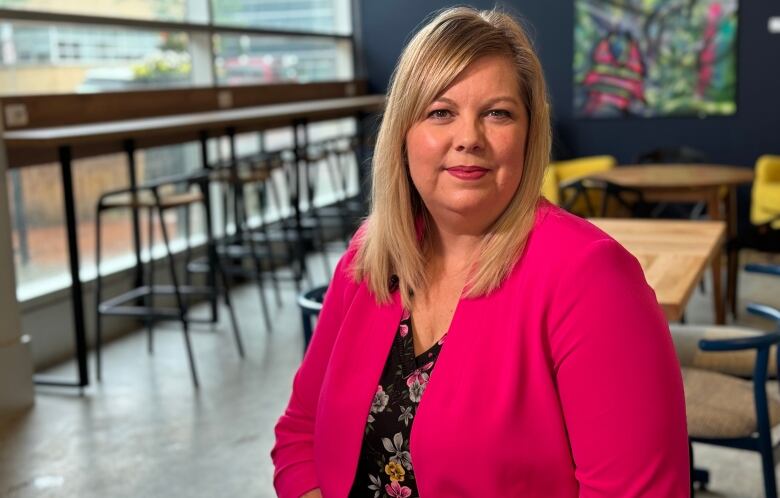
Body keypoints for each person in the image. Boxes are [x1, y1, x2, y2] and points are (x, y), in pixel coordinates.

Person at [272, 6, 689, 497]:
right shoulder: (368, 261)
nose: (469, 138)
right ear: (403, 133)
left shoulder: (593, 279)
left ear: (529, 134)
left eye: (497, 113)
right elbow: (299, 436)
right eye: (440, 112)